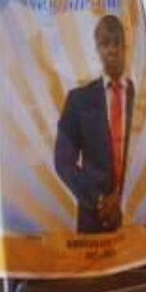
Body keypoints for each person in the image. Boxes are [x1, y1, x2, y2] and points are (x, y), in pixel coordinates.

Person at [54, 15, 134, 233]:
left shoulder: (142, 96)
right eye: (105, 43)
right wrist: (99, 200)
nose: (112, 50)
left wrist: (123, 197)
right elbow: (63, 161)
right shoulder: (79, 100)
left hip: (140, 214)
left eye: (117, 42)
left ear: (125, 46)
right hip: (95, 217)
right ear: (97, 49)